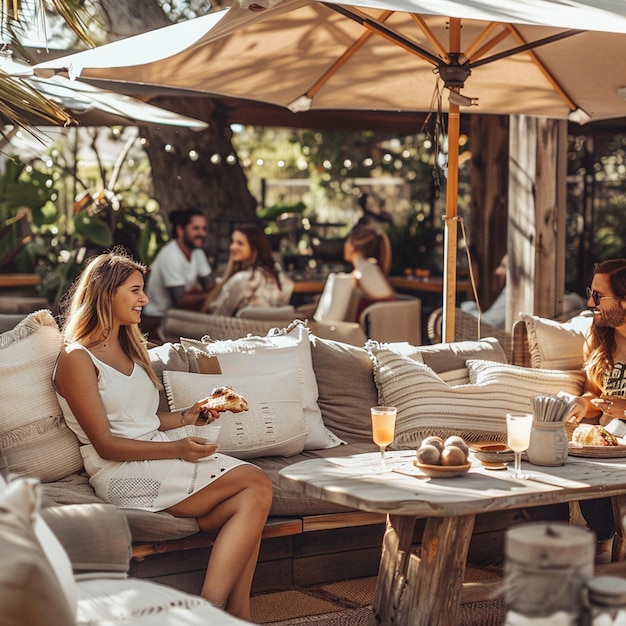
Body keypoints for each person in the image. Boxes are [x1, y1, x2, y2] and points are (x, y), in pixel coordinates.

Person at [52, 249, 272, 620]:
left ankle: (239, 617)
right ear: (107, 294)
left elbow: (145, 421)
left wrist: (187, 416)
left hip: (157, 454)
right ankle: (208, 614)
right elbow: (106, 444)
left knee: (250, 501)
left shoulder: (130, 349)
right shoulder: (77, 359)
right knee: (256, 481)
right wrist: (178, 450)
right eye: (136, 291)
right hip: (121, 471)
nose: (145, 300)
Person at [566, 258, 626, 553]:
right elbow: (594, 397)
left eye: (598, 296)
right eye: (591, 292)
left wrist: (624, 411)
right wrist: (581, 403)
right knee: (564, 457)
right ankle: (597, 540)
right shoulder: (597, 336)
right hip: (608, 442)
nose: (590, 302)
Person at [142, 208, 215, 341]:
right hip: (158, 319)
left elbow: (211, 285)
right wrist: (209, 294)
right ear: (180, 230)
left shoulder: (198, 253)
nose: (202, 233)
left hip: (180, 316)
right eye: (196, 228)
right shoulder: (170, 255)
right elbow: (180, 300)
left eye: (204, 229)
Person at [202, 223, 293, 316]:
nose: (232, 247)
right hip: (269, 329)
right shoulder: (280, 278)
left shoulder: (242, 279)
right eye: (232, 242)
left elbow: (216, 314)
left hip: (230, 329)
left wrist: (226, 276)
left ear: (255, 249)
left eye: (240, 243)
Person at [313, 224, 395, 323]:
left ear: (353, 246)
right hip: (383, 324)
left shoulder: (360, 274)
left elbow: (331, 316)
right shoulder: (370, 267)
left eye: (347, 241)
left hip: (373, 328)